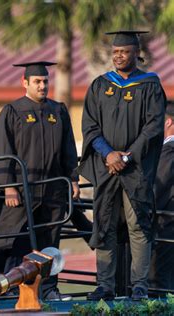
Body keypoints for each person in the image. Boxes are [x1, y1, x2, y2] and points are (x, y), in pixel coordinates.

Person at [79, 30, 166, 301]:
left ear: (135, 54)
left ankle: (138, 285)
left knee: (138, 225)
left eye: (124, 52)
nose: (118, 56)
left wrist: (127, 156)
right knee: (103, 225)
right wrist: (108, 154)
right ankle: (105, 285)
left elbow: (153, 128)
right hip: (108, 168)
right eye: (115, 52)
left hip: (135, 169)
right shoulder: (100, 85)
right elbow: (90, 126)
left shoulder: (150, 85)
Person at [0, 61, 79, 301]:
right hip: (23, 188)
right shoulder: (13, 111)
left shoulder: (58, 111)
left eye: (45, 81)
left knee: (50, 242)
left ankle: (48, 290)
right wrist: (9, 186)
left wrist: (73, 179)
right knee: (16, 240)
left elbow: (68, 148)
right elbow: (2, 149)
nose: (42, 85)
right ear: (25, 83)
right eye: (37, 81)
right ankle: (12, 290)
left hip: (53, 188)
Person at [148, 101, 174, 291]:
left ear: (168, 123)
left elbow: (159, 188)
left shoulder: (168, 151)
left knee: (158, 282)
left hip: (166, 223)